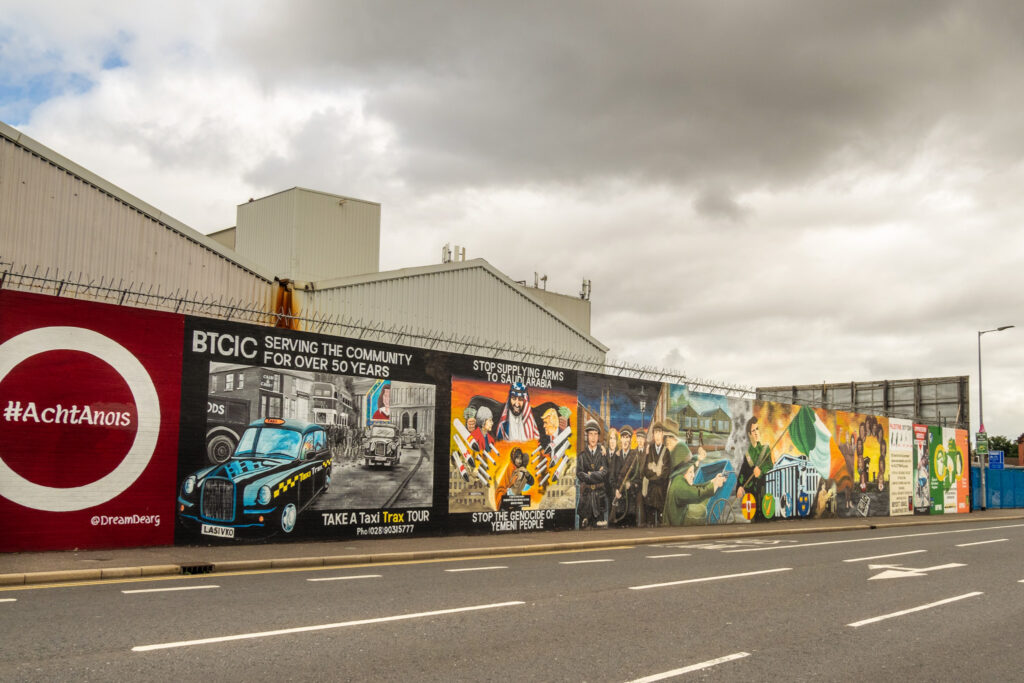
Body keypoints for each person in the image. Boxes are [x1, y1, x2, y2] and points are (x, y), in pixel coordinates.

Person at [663, 448, 727, 526]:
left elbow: (695, 487)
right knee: (702, 511)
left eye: (693, 471)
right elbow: (698, 493)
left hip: (677, 518)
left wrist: (712, 481)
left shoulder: (678, 478)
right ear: (683, 472)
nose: (693, 475)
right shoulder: (679, 485)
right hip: (678, 524)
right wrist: (715, 485)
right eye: (690, 472)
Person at [737, 416, 772, 520]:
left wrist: (760, 472)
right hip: (751, 496)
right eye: (753, 430)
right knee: (754, 520)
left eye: (757, 429)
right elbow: (742, 474)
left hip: (764, 492)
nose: (756, 432)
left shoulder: (765, 450)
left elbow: (770, 465)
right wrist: (740, 486)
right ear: (749, 434)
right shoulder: (747, 454)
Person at [576, 419, 609, 528]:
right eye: (591, 434)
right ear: (587, 436)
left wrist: (591, 475)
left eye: (595, 434)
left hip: (599, 498)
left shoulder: (602, 454)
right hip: (586, 499)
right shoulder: (581, 456)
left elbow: (604, 473)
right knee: (583, 532)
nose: (593, 437)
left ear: (598, 437)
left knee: (599, 532)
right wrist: (596, 474)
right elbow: (580, 474)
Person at [641, 420, 673, 526]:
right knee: (650, 522)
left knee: (660, 523)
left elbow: (665, 474)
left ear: (662, 434)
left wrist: (652, 476)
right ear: (653, 435)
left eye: (659, 433)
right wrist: (656, 474)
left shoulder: (666, 452)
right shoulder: (649, 450)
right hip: (650, 493)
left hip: (660, 492)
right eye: (655, 433)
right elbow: (645, 470)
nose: (657, 435)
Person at [610, 425, 641, 527]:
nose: (625, 440)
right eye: (623, 437)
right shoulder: (616, 456)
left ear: (631, 439)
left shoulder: (635, 457)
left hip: (630, 502)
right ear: (621, 439)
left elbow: (638, 479)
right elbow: (611, 477)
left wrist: (630, 485)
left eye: (627, 437)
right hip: (618, 499)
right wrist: (615, 490)